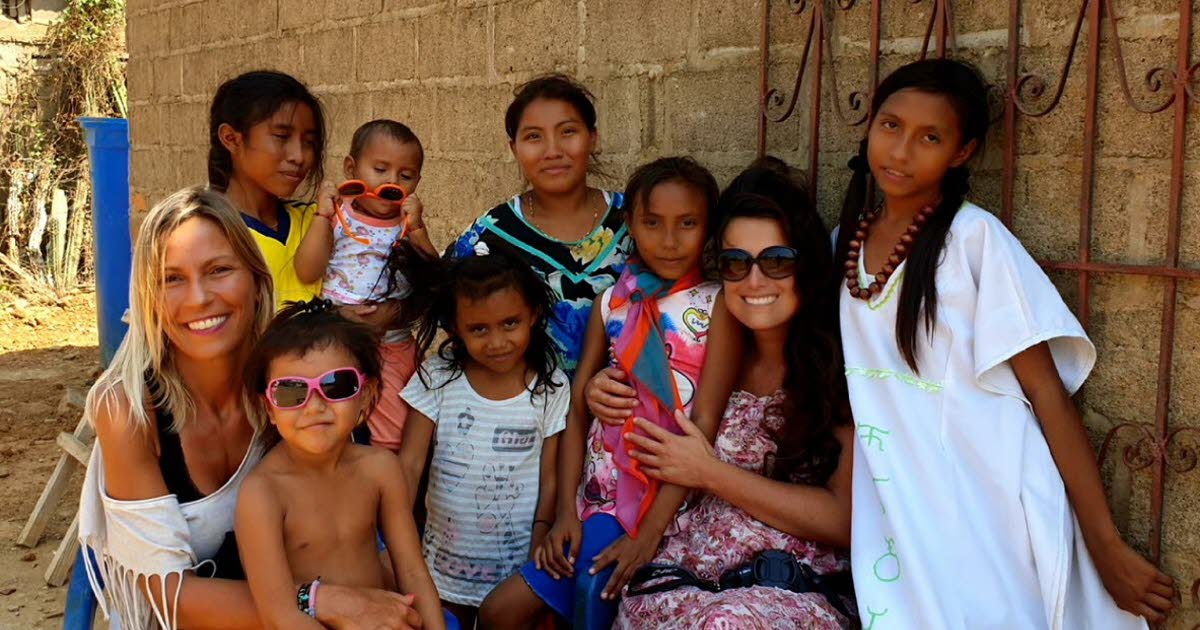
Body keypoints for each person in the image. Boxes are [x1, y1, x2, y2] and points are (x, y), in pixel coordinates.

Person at [832, 58, 1173, 628]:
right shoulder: (846, 241)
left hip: (983, 502)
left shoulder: (974, 241)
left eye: (930, 137)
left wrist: (1104, 544)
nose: (900, 150)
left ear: (961, 153)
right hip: (900, 507)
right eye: (891, 125)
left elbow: (1044, 390)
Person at [78, 186, 423, 630]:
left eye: (219, 270)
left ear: (257, 279)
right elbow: (166, 593)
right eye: (172, 279)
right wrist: (323, 601)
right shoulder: (129, 408)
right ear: (147, 298)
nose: (200, 298)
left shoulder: (293, 381)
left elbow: (354, 530)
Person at [590, 159, 857, 628]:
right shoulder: (704, 351)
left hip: (782, 594)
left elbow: (843, 519)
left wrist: (711, 473)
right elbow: (638, 380)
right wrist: (599, 387)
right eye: (737, 262)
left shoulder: (836, 367)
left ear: (807, 263)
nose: (754, 281)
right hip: (681, 581)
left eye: (776, 260)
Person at [481, 157, 738, 629]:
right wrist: (565, 514)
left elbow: (703, 427)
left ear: (709, 229)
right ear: (630, 227)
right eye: (652, 222)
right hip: (598, 494)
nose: (668, 239)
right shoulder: (613, 301)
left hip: (667, 499)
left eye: (687, 224)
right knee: (500, 612)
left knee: (592, 591)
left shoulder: (718, 304)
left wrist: (648, 533)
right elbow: (578, 410)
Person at [236, 299, 444, 630]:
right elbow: (279, 614)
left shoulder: (381, 469)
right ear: (270, 409)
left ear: (366, 393)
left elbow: (413, 572)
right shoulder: (262, 494)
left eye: (336, 386)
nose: (314, 406)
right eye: (290, 392)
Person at [398, 245, 570, 629]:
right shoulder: (439, 375)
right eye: (479, 329)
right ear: (456, 328)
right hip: (441, 568)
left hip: (516, 568)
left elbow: (551, 474)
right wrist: (398, 541)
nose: (497, 342)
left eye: (510, 323)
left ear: (534, 315)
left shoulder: (550, 385)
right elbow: (409, 464)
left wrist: (540, 536)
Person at [451, 73, 632, 379]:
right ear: (514, 148)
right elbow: (449, 311)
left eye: (568, 131)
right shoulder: (491, 236)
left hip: (628, 412)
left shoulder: (635, 220)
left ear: (592, 137)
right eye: (534, 136)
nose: (552, 150)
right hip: (531, 416)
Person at [293, 119, 438, 451]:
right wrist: (321, 217)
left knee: (395, 434)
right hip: (339, 340)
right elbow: (306, 271)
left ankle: (391, 485)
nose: (392, 182)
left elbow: (434, 277)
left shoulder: (406, 223)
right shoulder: (339, 215)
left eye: (405, 176)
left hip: (393, 344)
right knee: (337, 423)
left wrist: (418, 230)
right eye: (380, 169)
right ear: (351, 168)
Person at [207, 70, 327, 309]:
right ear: (231, 138)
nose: (299, 156)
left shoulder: (320, 221)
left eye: (309, 142)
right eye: (282, 136)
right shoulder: (208, 234)